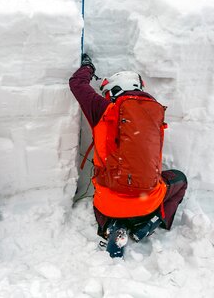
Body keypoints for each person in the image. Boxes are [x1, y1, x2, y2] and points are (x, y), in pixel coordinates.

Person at [69, 54, 188, 257]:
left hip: (109, 204)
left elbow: (77, 84)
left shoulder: (103, 109)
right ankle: (151, 222)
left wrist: (88, 66)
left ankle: (112, 225)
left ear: (114, 90)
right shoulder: (155, 112)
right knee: (180, 180)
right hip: (147, 202)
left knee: (107, 195)